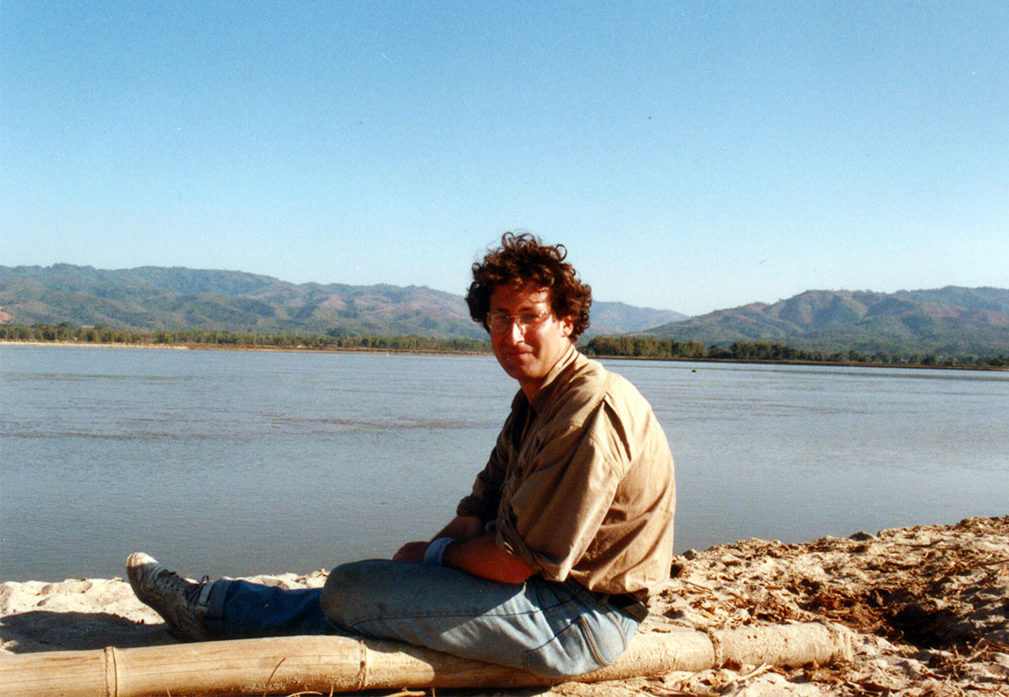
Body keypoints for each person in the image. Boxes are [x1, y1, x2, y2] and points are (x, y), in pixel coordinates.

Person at [127, 231, 676, 677]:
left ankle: (216, 609)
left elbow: (512, 560)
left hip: (579, 618)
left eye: (530, 315)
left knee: (350, 590)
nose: (513, 334)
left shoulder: (588, 406)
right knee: (379, 589)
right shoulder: (537, 400)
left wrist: (431, 559)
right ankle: (224, 606)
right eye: (499, 318)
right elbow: (479, 509)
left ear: (567, 321)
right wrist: (430, 554)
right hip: (539, 595)